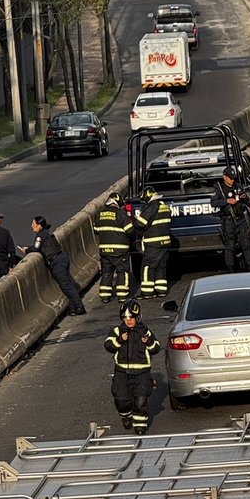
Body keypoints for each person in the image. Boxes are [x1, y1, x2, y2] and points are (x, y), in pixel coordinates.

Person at [104, 299, 160, 434]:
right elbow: (108, 346)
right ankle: (126, 416)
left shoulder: (145, 331)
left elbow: (156, 348)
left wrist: (148, 341)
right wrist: (120, 340)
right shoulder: (117, 331)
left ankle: (140, 425)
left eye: (131, 318)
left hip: (142, 373)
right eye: (125, 318)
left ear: (138, 317)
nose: (129, 321)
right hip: (122, 372)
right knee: (121, 400)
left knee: (140, 401)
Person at [19, 216, 86, 315]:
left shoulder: (40, 235)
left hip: (57, 262)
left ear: (39, 226)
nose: (32, 226)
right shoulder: (47, 233)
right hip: (62, 257)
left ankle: (79, 307)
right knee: (67, 284)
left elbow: (36, 248)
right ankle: (72, 307)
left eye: (33, 224)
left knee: (66, 286)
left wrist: (26, 250)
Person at [211, 166, 250, 273]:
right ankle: (230, 267)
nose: (232, 180)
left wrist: (245, 198)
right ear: (225, 177)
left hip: (240, 219)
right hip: (228, 220)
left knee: (245, 242)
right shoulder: (220, 190)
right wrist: (227, 201)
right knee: (230, 245)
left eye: (233, 178)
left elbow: (249, 202)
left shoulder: (238, 187)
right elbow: (213, 202)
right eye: (230, 178)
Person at [94, 191, 134, 302]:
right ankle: (122, 296)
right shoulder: (121, 215)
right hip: (120, 251)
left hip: (105, 251)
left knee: (107, 273)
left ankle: (105, 296)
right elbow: (130, 231)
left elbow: (96, 230)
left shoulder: (99, 214)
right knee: (122, 272)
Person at [134, 186, 172, 298]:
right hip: (165, 243)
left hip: (153, 244)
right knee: (161, 266)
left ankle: (147, 292)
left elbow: (140, 224)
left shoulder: (151, 207)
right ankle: (161, 290)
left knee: (147, 267)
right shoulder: (165, 206)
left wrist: (136, 218)